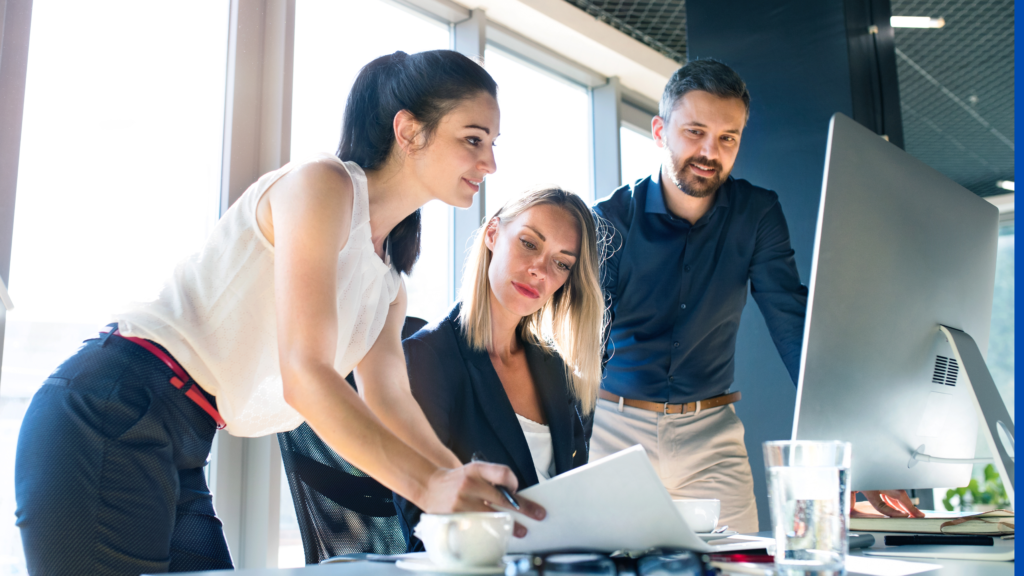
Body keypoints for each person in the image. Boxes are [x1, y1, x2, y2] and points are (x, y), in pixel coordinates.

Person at [14, 49, 543, 576]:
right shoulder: (323, 185)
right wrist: (429, 486)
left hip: (185, 437)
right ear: (409, 131)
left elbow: (391, 402)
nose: (490, 163)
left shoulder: (388, 282)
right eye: (473, 139)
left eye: (493, 145)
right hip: (113, 406)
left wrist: (460, 484)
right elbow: (305, 376)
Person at [589, 59, 922, 533]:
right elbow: (586, 341)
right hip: (613, 430)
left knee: (743, 564)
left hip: (711, 434)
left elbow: (792, 324)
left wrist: (858, 448)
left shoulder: (758, 212)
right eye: (695, 132)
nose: (710, 151)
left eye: (728, 138)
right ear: (660, 130)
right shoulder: (608, 218)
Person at [394, 187, 604, 550]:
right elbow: (421, 519)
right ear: (493, 234)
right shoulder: (427, 357)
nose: (539, 269)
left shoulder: (556, 371)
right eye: (529, 243)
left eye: (561, 263)